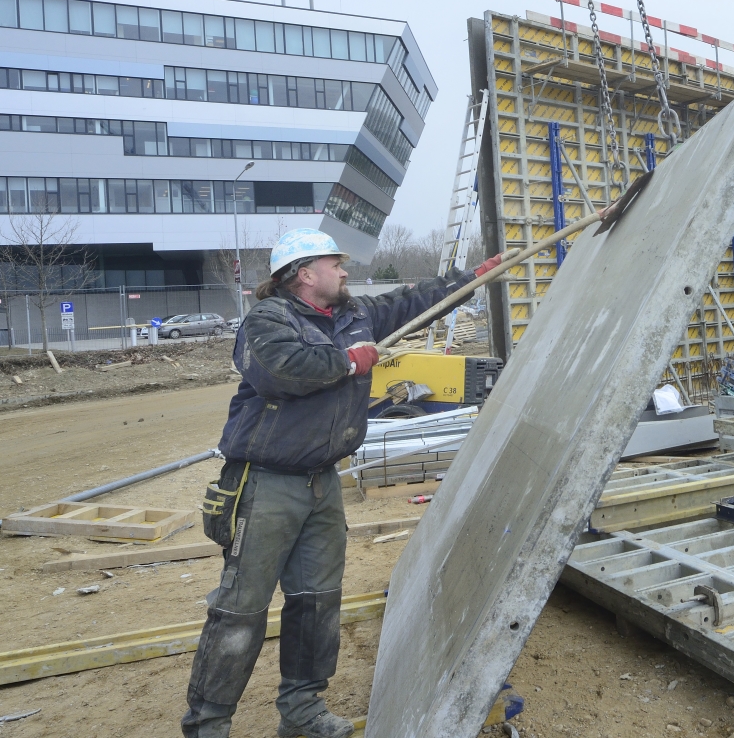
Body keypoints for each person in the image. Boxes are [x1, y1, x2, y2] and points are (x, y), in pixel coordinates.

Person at [182, 228, 501, 738]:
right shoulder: (267, 321)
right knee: (240, 608)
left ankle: (302, 710)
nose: (345, 271)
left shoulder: (355, 315)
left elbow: (410, 301)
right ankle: (209, 724)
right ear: (305, 273)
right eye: (336, 263)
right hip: (265, 485)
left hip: (321, 483)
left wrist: (471, 280)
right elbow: (282, 371)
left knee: (316, 599)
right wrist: (349, 361)